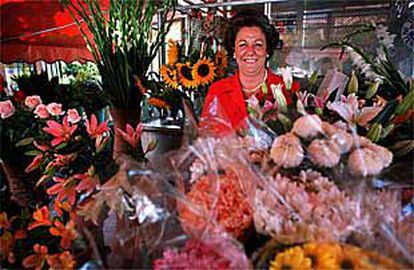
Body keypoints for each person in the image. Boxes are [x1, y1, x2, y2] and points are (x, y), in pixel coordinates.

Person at [200, 9, 299, 134]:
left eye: (258, 44)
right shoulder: (218, 91)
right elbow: (206, 139)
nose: (250, 51)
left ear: (267, 50)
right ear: (234, 51)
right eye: (243, 45)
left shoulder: (288, 90)